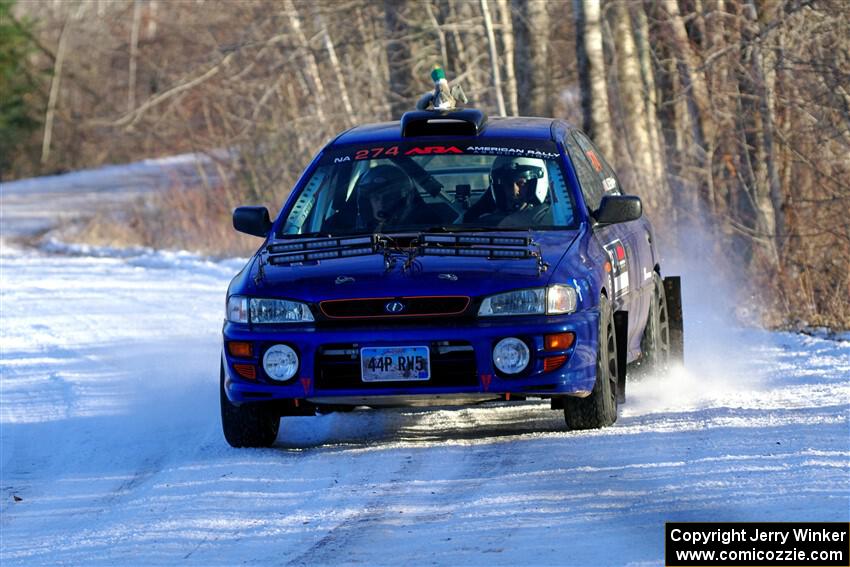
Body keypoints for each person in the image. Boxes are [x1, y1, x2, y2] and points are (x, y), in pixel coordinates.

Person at [323, 164, 441, 233]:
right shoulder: (343, 230)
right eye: (375, 197)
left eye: (388, 197)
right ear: (367, 203)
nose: (382, 203)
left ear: (405, 198)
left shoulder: (428, 226)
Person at [463, 156, 552, 227]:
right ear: (500, 187)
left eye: (521, 183)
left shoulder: (550, 218)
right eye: (508, 184)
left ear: (533, 184)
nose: (514, 190)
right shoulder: (484, 221)